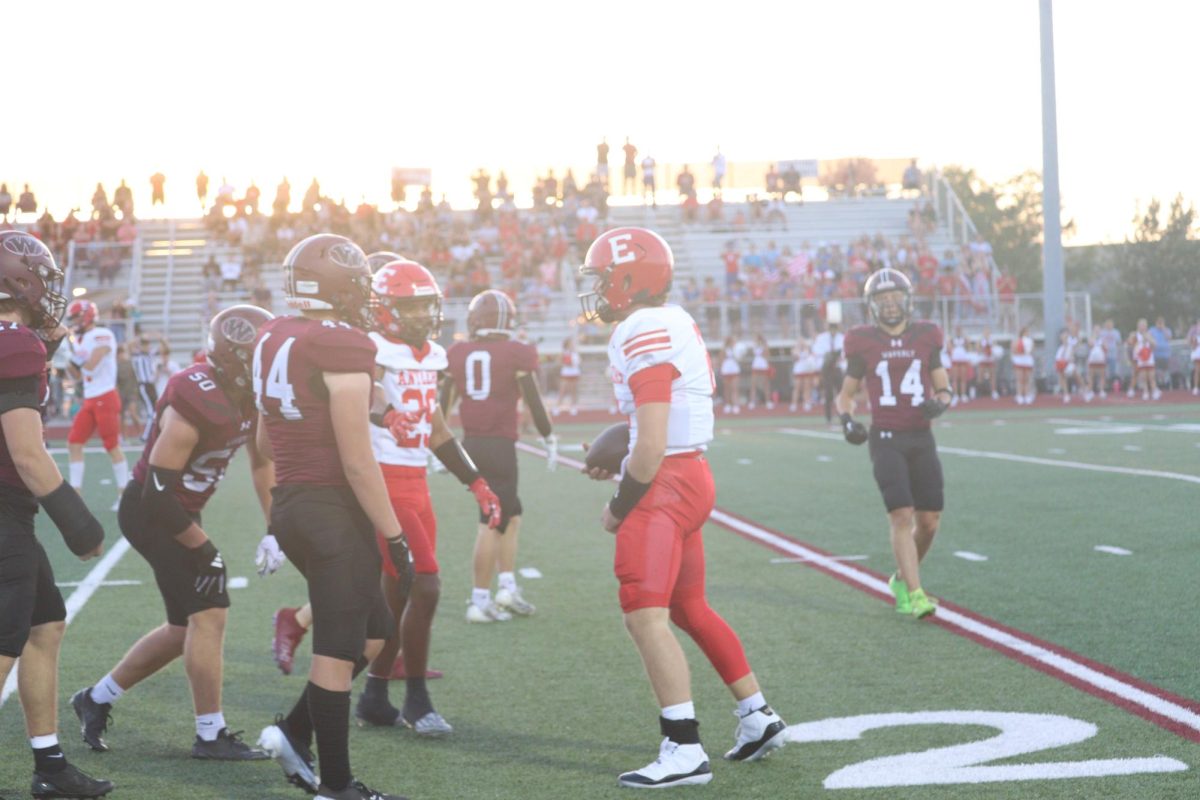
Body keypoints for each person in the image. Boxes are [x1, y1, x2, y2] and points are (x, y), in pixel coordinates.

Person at [579, 226, 787, 788]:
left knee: (643, 614)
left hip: (663, 483)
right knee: (688, 607)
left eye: (602, 280)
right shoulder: (669, 320)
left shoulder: (642, 326)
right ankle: (756, 714)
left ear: (627, 278)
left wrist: (619, 506)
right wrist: (616, 443)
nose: (596, 292)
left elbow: (649, 444)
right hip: (691, 475)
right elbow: (659, 420)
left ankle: (683, 749)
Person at [70, 306, 275, 761]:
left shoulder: (250, 397)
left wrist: (275, 528)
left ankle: (95, 699)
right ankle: (210, 735)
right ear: (237, 360)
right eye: (260, 357)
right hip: (151, 512)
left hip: (178, 510)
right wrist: (206, 550)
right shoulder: (196, 396)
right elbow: (157, 497)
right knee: (210, 613)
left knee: (184, 626)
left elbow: (262, 461)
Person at [252, 233, 409, 800]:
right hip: (331, 511)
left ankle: (294, 730)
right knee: (338, 651)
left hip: (293, 503)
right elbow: (357, 460)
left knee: (374, 633)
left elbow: (266, 445)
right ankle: (336, 788)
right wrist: (395, 536)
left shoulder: (274, 333)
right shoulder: (342, 344)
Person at [352, 259, 502, 735]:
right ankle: (416, 699)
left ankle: (375, 695)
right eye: (409, 306)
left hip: (417, 481)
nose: (420, 314)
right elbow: (366, 393)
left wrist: (475, 481)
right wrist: (387, 414)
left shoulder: (431, 356)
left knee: (398, 596)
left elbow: (437, 430)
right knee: (427, 585)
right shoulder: (373, 348)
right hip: (384, 479)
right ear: (385, 309)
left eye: (424, 305)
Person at [0, 231, 113, 799]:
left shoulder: (18, 341)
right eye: (41, 276)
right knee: (2, 646)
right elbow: (26, 452)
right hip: (3, 516)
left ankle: (49, 766)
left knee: (46, 625)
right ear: (20, 281)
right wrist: (81, 525)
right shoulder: (15, 343)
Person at [836, 268, 952, 620]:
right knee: (901, 514)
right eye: (882, 299)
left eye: (894, 297)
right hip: (885, 437)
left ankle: (902, 579)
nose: (889, 305)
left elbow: (943, 387)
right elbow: (846, 395)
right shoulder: (864, 342)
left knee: (929, 520)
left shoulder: (926, 336)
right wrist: (847, 420)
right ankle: (913, 595)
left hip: (921, 435)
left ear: (907, 299)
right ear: (872, 305)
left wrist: (942, 401)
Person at [445, 290, 555, 622]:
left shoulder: (459, 353)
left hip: (472, 444)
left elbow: (442, 404)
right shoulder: (515, 352)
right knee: (491, 521)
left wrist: (437, 448)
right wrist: (548, 435)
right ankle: (479, 600)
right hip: (499, 446)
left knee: (512, 513)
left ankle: (506, 586)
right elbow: (533, 400)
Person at [64, 299, 129, 511]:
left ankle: (124, 493)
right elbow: (78, 376)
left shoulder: (103, 335)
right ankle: (75, 494)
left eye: (76, 317)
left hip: (105, 396)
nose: (74, 322)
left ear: (87, 316)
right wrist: (65, 359)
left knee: (111, 445)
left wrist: (71, 353)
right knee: (74, 442)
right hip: (90, 397)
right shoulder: (81, 339)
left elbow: (91, 367)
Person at [812, 321, 844, 423]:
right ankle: (828, 417)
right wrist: (829, 355)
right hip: (827, 368)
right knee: (828, 393)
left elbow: (843, 352)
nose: (833, 332)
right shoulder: (822, 338)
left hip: (837, 367)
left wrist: (837, 356)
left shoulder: (841, 337)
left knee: (840, 393)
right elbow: (817, 351)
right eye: (832, 329)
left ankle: (842, 415)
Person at [130, 335, 158, 441]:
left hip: (151, 385)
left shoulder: (150, 354)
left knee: (156, 410)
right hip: (143, 385)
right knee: (151, 412)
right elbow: (128, 346)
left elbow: (165, 348)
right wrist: (138, 339)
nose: (146, 346)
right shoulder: (137, 356)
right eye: (144, 344)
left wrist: (159, 337)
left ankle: (151, 434)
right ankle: (146, 436)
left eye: (147, 344)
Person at [1127, 318, 1160, 400]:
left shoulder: (1149, 334)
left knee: (1151, 376)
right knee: (1143, 376)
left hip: (1149, 358)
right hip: (1140, 358)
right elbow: (1130, 343)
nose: (1142, 327)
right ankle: (1145, 392)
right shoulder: (1135, 335)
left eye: (1144, 325)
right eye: (1141, 325)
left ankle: (1154, 391)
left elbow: (1154, 345)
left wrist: (1148, 338)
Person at [790, 337, 818, 412]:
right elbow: (794, 358)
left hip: (807, 370)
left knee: (807, 387)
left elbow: (812, 357)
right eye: (799, 342)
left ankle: (806, 403)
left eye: (802, 341)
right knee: (797, 387)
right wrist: (798, 350)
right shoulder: (795, 350)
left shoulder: (808, 349)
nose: (801, 343)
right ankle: (794, 404)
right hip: (798, 371)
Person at [1011, 325, 1035, 404]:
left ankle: (1027, 395)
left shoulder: (1030, 341)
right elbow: (1013, 350)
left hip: (1027, 361)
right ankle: (1019, 395)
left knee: (1027, 379)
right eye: (1026, 332)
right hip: (1019, 361)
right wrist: (1020, 351)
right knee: (1020, 378)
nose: (1028, 333)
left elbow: (1032, 350)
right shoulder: (1017, 341)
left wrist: (1028, 351)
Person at [748, 334, 773, 410]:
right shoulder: (754, 345)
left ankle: (768, 402)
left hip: (763, 366)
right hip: (756, 366)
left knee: (766, 384)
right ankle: (752, 402)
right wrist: (756, 342)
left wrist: (764, 345)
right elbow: (753, 352)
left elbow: (767, 355)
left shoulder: (765, 346)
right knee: (753, 384)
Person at [557, 337, 581, 415]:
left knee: (573, 390)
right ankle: (558, 406)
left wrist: (573, 363)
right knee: (562, 390)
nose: (572, 345)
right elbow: (559, 362)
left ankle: (573, 407)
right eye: (570, 343)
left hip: (574, 373)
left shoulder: (575, 353)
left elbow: (578, 362)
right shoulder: (564, 352)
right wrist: (566, 363)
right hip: (566, 373)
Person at [1085, 326, 1109, 401]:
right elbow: (1090, 344)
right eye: (1096, 330)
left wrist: (1103, 344)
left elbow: (1106, 347)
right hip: (1092, 360)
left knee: (1102, 375)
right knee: (1091, 376)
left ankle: (1101, 391)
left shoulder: (1102, 339)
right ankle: (1090, 391)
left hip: (1101, 359)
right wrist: (1094, 337)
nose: (1097, 331)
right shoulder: (1092, 338)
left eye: (1098, 330)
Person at [719, 336, 741, 414]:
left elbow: (738, 358)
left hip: (734, 370)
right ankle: (727, 405)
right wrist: (721, 370)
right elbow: (721, 359)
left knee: (734, 388)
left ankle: (735, 405)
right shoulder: (724, 350)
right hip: (726, 370)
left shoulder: (736, 349)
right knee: (727, 389)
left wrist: (734, 349)